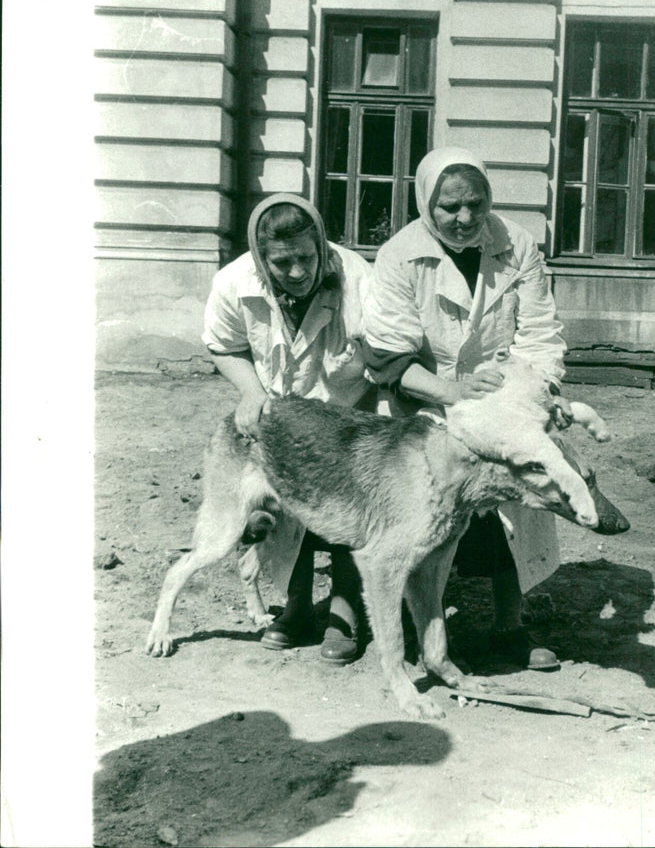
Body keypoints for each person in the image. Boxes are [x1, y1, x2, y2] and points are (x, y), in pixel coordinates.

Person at [364, 147, 569, 670]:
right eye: (448, 207)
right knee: (422, 515)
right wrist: (451, 393)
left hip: (503, 399)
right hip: (423, 403)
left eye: (475, 204)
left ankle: (510, 625)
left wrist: (535, 397)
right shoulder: (398, 255)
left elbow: (539, 333)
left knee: (513, 496)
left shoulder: (517, 245)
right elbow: (389, 356)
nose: (464, 218)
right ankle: (417, 631)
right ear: (425, 204)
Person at [202, 193, 373, 664]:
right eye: (281, 263)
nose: (297, 272)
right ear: (261, 258)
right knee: (283, 504)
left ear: (321, 243)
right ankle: (297, 608)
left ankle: (345, 608)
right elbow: (223, 344)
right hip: (282, 412)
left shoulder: (358, 278)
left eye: (306, 257)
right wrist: (251, 392)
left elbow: (382, 353)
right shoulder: (233, 282)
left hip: (349, 413)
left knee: (347, 510)